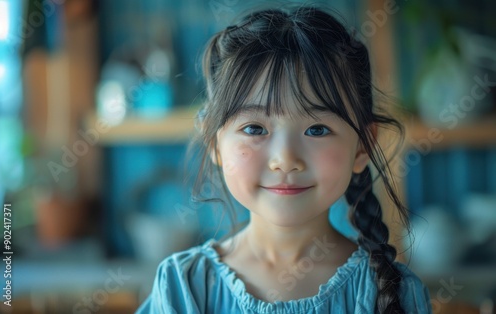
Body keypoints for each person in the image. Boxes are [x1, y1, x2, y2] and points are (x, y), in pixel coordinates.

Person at [137, 5, 432, 314]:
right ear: (214, 143)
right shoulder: (184, 288)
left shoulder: (392, 293)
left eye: (317, 129)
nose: (285, 160)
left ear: (363, 147)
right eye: (254, 128)